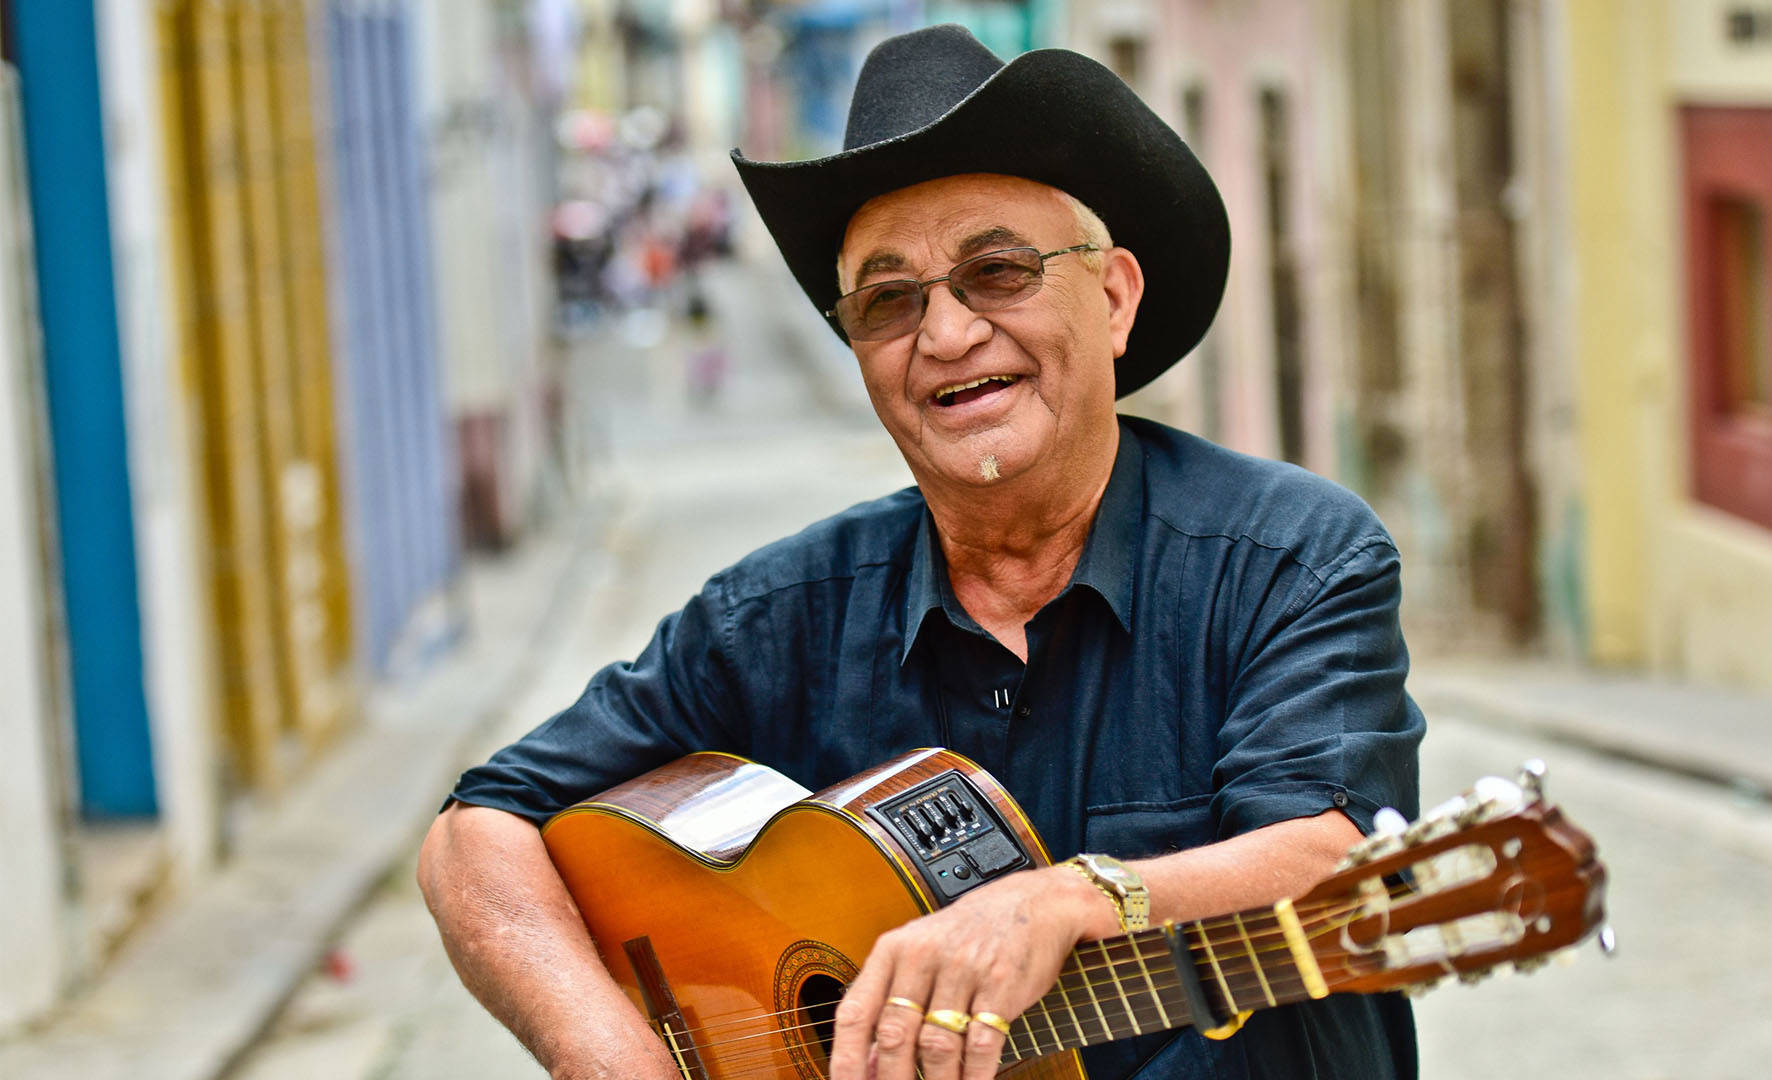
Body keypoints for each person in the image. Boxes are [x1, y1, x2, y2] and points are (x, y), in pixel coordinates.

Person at [418, 25, 1423, 1080]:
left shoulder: (1291, 558)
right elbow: (475, 829)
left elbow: (1338, 853)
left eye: (997, 271)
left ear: (1116, 296)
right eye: (890, 300)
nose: (944, 336)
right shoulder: (776, 616)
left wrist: (1072, 900)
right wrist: (616, 1058)